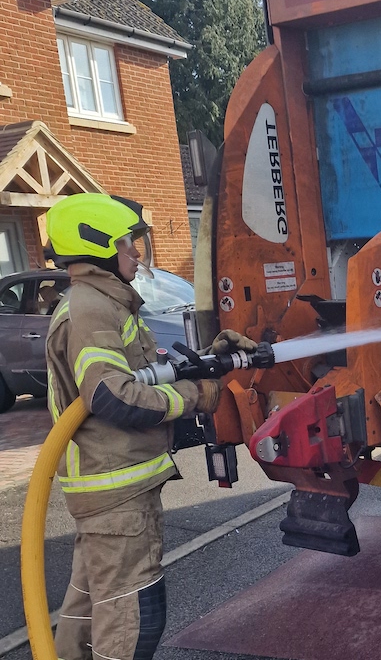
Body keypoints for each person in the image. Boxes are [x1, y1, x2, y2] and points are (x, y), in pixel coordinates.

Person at [43, 193, 257, 660]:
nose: (136, 253)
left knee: (88, 617)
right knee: (132, 621)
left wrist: (208, 364)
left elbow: (142, 373)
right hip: (117, 497)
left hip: (110, 495)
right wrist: (195, 398)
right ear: (98, 247)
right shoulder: (91, 309)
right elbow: (109, 394)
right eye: (126, 244)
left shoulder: (105, 303)